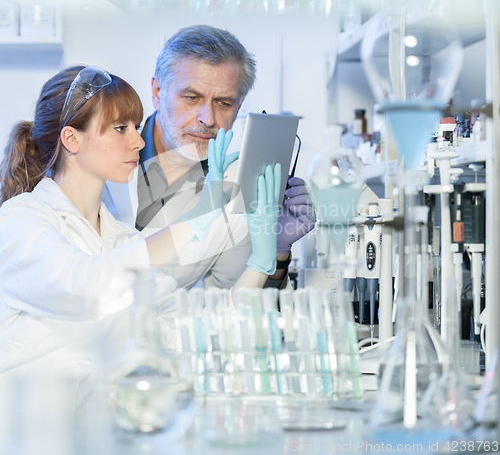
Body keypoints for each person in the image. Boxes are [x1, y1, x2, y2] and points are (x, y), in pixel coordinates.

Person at [0, 65, 281, 410]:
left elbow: (193, 337)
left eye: (135, 126)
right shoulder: (20, 219)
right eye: (120, 129)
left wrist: (262, 263)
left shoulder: (121, 240)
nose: (139, 140)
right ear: (72, 139)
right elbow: (85, 289)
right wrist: (194, 222)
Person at [103, 25, 315, 290]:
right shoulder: (100, 156)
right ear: (157, 92)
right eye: (192, 97)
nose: (208, 118)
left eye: (224, 103)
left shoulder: (238, 187)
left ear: (240, 105)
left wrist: (278, 251)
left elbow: (236, 309)